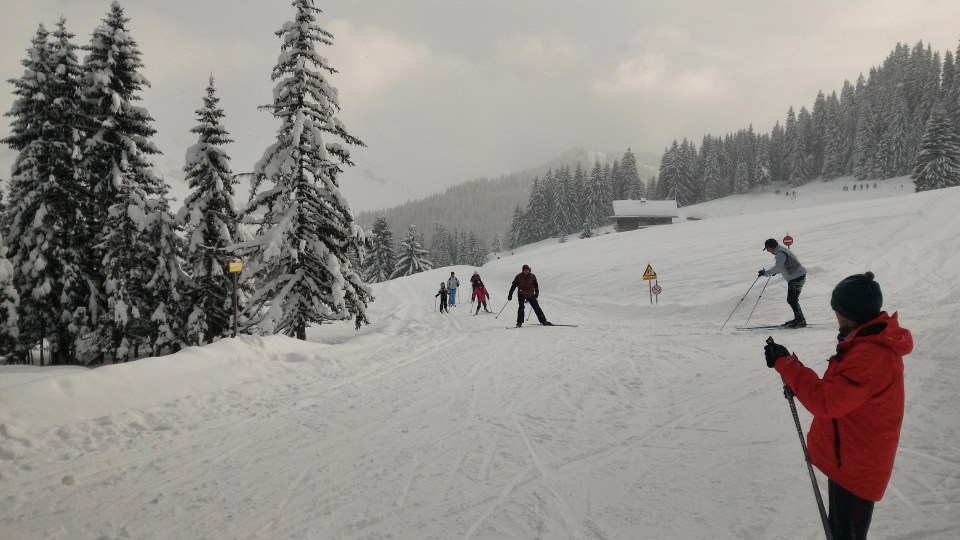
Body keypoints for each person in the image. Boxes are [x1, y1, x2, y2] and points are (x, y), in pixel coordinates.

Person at [764, 272, 912, 540]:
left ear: (847, 313)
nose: (835, 316)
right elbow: (838, 395)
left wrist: (786, 365)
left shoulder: (869, 355)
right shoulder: (867, 345)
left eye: (837, 310)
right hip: (851, 458)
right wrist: (788, 367)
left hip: (856, 466)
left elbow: (826, 401)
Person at [759, 238, 808, 327]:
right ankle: (799, 319)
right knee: (792, 299)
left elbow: (778, 266)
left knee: (792, 299)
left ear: (771, 247)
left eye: (767, 248)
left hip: (796, 277)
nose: (767, 251)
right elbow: (784, 265)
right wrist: (776, 272)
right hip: (798, 276)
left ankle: (800, 320)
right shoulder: (782, 250)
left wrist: (766, 273)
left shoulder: (780, 253)